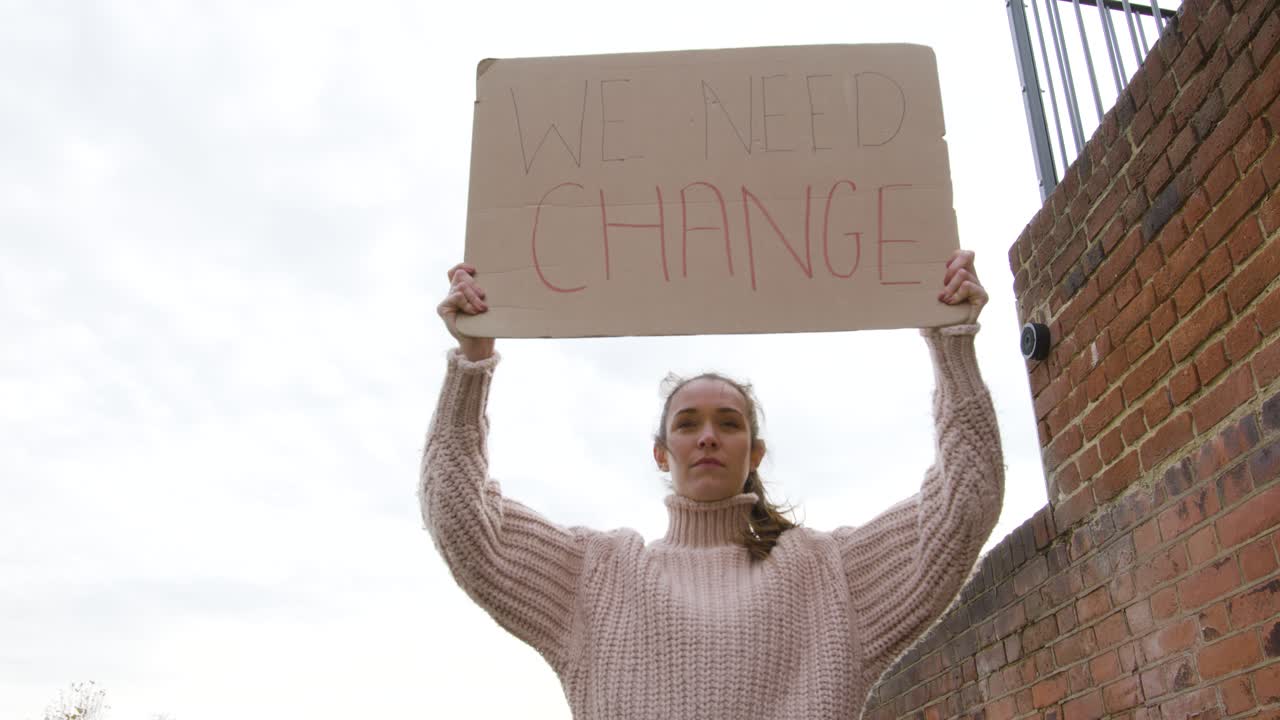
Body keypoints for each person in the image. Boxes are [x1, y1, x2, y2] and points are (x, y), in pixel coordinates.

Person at [421, 250, 1003, 719]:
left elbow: (964, 503)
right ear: (660, 453)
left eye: (728, 424)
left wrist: (952, 347)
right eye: (687, 423)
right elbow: (463, 523)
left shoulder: (826, 574)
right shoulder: (599, 576)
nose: (707, 437)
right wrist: (472, 360)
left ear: (754, 454)